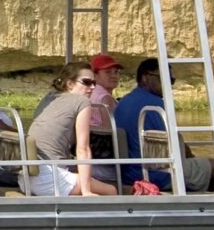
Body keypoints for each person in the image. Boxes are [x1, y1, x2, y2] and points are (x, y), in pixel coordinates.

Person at [23, 63, 120, 196]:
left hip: (26, 179)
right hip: (49, 179)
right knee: (111, 190)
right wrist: (86, 191)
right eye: (86, 82)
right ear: (70, 84)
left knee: (87, 176)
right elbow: (83, 149)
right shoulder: (82, 102)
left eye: (94, 83)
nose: (92, 87)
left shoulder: (50, 97)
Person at [112, 58, 175, 189]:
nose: (168, 84)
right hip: (156, 175)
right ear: (145, 77)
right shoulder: (156, 105)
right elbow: (174, 144)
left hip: (128, 174)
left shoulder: (123, 102)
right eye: (163, 78)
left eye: (171, 81)